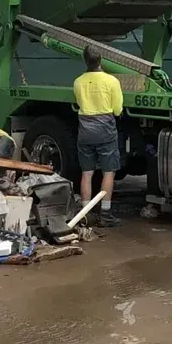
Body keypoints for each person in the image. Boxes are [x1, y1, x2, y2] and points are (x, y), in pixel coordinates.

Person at [72, 47, 123, 226]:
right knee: (108, 172)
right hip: (105, 130)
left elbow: (79, 103)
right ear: (101, 60)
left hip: (85, 130)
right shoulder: (111, 81)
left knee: (87, 172)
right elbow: (117, 109)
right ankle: (106, 214)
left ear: (85, 61)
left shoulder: (78, 82)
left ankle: (85, 214)